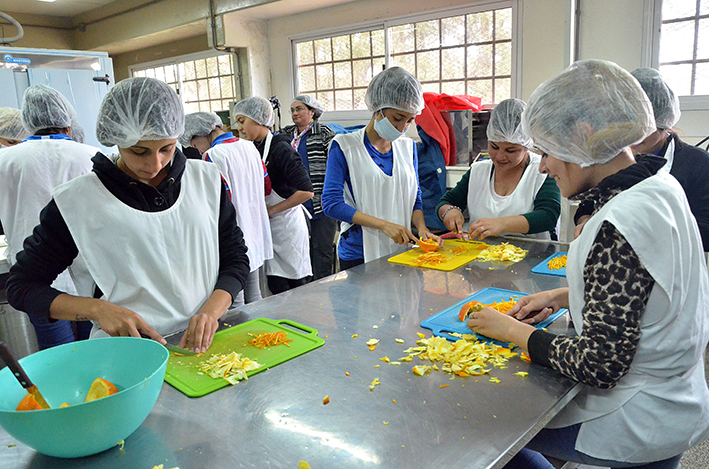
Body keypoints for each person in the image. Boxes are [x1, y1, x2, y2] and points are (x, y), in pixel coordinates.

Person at [464, 60, 709, 469]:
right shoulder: (660, 184)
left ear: (581, 137)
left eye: (545, 152)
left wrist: (511, 331)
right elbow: (647, 287)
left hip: (637, 414)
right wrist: (565, 294)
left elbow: (599, 363)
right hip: (679, 398)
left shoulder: (620, 222)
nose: (542, 166)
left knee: (487, 424)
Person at [6, 77, 250, 353]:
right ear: (117, 139)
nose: (155, 164)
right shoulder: (78, 201)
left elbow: (236, 257)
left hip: (205, 346)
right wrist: (97, 310)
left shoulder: (206, 180)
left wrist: (210, 312)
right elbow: (22, 286)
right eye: (139, 151)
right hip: (129, 355)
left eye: (167, 148)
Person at [0, 85, 98, 349]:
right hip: (90, 269)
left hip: (35, 272)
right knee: (94, 343)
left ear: (27, 122)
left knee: (58, 351)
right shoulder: (93, 156)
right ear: (68, 124)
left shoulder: (4, 160)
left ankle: (63, 390)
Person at [321, 66, 442, 270]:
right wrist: (384, 225)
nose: (402, 127)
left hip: (400, 249)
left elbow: (414, 196)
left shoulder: (408, 147)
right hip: (359, 253)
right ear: (377, 107)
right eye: (397, 118)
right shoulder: (345, 147)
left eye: (410, 120)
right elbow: (331, 204)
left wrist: (422, 228)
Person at [180, 111, 273, 306]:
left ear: (202, 133)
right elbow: (267, 187)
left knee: (234, 301)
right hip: (256, 230)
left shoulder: (213, 155)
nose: (195, 150)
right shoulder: (249, 147)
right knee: (255, 296)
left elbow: (220, 202)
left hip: (234, 235)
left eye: (194, 144)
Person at [435, 98, 560, 240]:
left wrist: (502, 224)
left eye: (511, 150)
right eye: (494, 147)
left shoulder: (541, 171)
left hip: (532, 255)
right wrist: (448, 211)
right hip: (481, 256)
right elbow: (445, 202)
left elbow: (548, 216)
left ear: (527, 146)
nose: (500, 156)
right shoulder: (478, 171)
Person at [232, 96, 313, 294]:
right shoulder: (252, 148)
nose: (239, 128)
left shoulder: (281, 149)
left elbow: (306, 192)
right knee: (275, 286)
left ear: (259, 119)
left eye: (242, 122)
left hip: (287, 229)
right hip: (269, 229)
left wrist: (272, 210)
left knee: (295, 287)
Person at [629, 67, 709, 250]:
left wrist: (650, 229)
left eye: (645, 128)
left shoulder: (698, 163)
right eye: (628, 126)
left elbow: (706, 230)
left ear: (665, 124)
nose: (635, 136)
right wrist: (585, 219)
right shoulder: (613, 158)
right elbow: (589, 204)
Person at [282, 95, 337, 280]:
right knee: (299, 246)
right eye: (292, 110)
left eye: (299, 109)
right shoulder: (286, 134)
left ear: (312, 112)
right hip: (293, 201)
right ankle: (303, 285)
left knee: (322, 248)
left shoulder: (324, 133)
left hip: (319, 200)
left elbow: (336, 164)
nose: (294, 113)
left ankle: (322, 285)